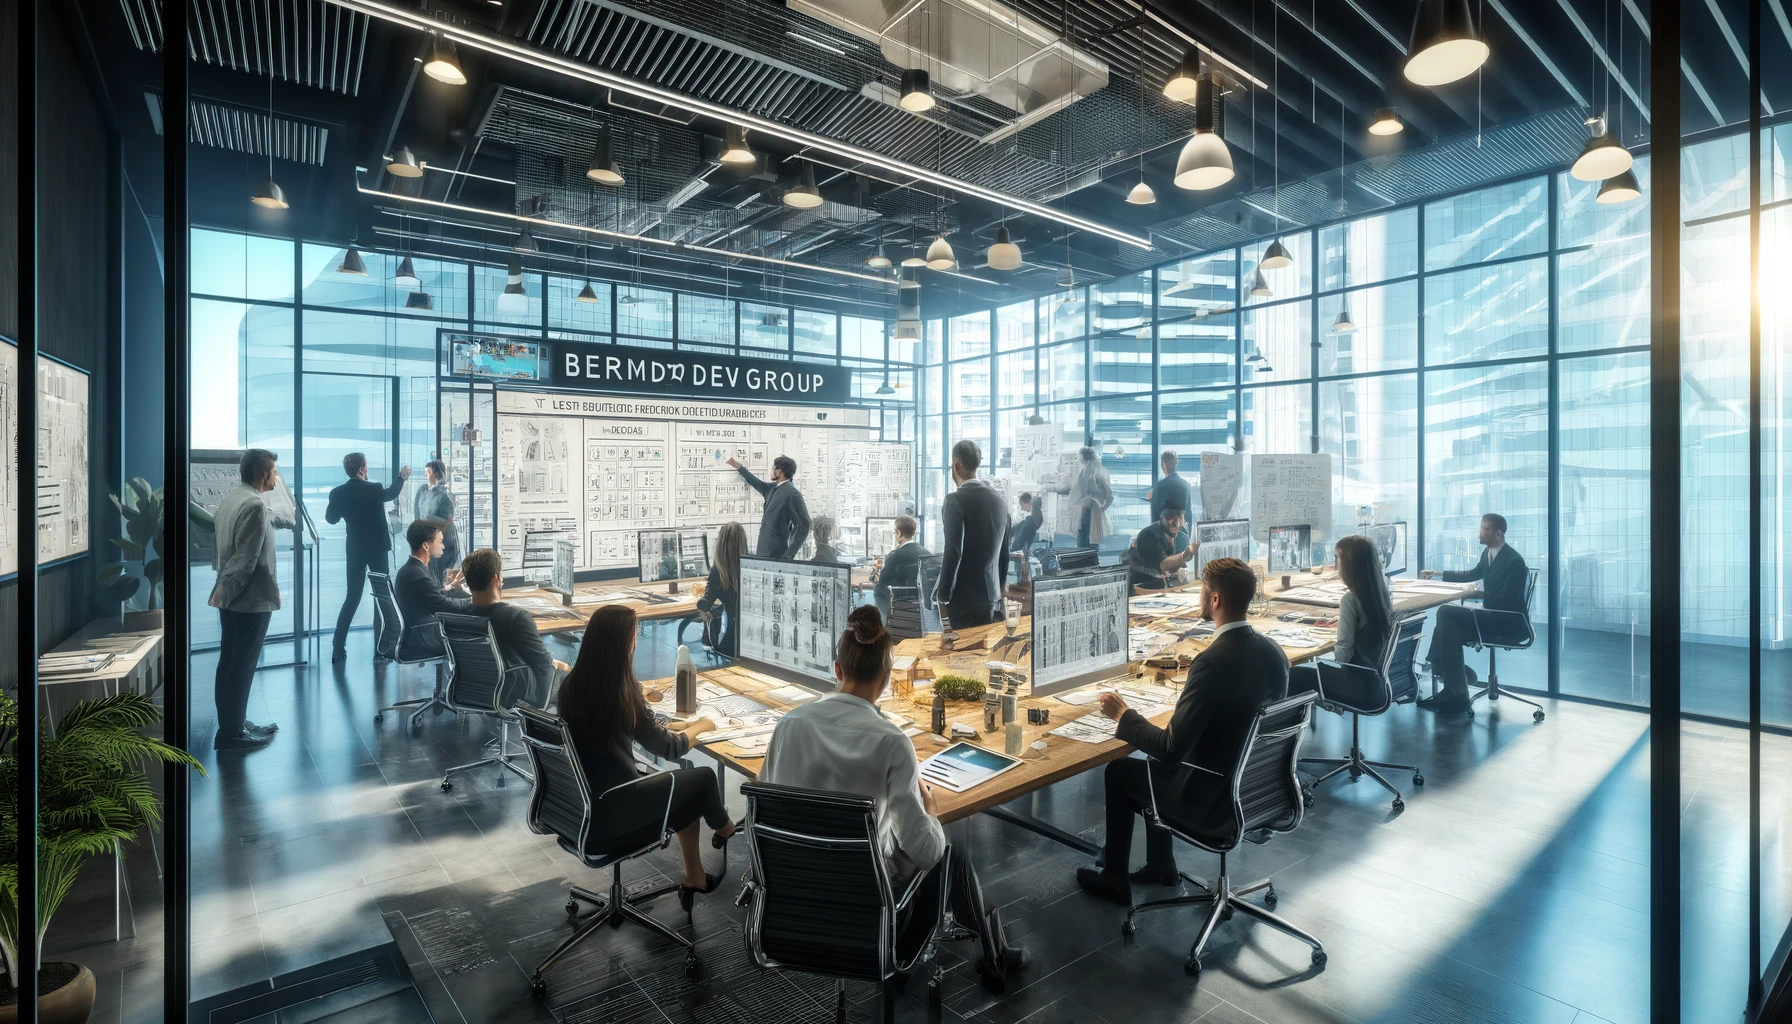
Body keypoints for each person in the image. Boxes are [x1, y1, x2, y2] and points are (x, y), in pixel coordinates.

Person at [762, 606, 1030, 992]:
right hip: (868, 909)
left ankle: (994, 951)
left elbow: (765, 804)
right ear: (886, 679)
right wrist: (932, 815)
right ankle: (986, 955)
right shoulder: (892, 742)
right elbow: (923, 852)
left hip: (793, 902)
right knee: (947, 853)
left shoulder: (788, 726)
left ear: (837, 670)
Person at [1076, 557, 1290, 904]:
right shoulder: (1273, 652)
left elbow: (1171, 748)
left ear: (1215, 599)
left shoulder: (1211, 662)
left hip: (1212, 799)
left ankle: (1114, 879)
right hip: (1256, 788)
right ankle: (1162, 864)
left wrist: (1123, 715)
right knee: (1150, 766)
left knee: (1119, 771)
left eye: (1203, 592)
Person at [555, 604, 740, 906]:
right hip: (614, 810)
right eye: (635, 633)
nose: (637, 638)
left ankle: (695, 875)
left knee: (687, 793)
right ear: (623, 643)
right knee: (703, 778)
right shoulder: (619, 693)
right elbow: (670, 748)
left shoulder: (573, 686)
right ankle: (727, 830)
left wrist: (670, 720)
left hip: (579, 809)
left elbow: (633, 724)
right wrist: (702, 725)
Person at [209, 448, 284, 752]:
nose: (276, 477)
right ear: (263, 474)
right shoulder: (253, 505)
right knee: (241, 666)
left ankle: (232, 723)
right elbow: (246, 560)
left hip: (230, 598)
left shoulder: (231, 500)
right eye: (274, 472)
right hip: (248, 600)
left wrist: (223, 593)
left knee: (229, 662)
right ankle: (232, 732)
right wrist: (229, 592)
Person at [1417, 513, 1530, 714]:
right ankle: (1455, 690)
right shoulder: (1487, 554)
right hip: (1492, 616)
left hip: (1509, 622)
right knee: (1449, 625)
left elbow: (1505, 601)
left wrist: (1475, 594)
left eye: (1485, 529)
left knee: (1445, 613)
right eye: (1481, 527)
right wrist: (1438, 574)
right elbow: (1472, 574)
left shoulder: (1514, 562)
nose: (1479, 532)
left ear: (1498, 533)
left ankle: (1447, 676)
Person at [1288, 535, 1394, 707]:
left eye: (1337, 558)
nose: (1334, 565)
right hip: (1375, 684)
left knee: (1292, 675)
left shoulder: (1350, 600)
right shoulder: (1380, 594)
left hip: (1356, 686)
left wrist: (1329, 660)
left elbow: (1343, 653)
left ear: (1350, 565)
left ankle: (1291, 731)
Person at [326, 452, 411, 664]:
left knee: (352, 597)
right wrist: (401, 477)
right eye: (367, 465)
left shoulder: (338, 493)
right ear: (362, 469)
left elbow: (331, 519)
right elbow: (391, 493)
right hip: (377, 548)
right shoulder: (374, 489)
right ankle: (386, 645)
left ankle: (338, 647)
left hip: (355, 549)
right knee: (383, 595)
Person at [459, 548, 571, 708]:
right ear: (495, 579)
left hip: (474, 687)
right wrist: (562, 666)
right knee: (570, 666)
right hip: (515, 691)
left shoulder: (461, 613)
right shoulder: (515, 617)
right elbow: (543, 664)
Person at [938, 440, 1013, 627]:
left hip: (963, 598)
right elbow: (1005, 553)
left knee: (962, 654)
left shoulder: (954, 500)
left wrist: (943, 596)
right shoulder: (1000, 502)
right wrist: (1000, 588)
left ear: (956, 466)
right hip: (991, 596)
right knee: (984, 653)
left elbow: (953, 551)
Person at [395, 519, 473, 661]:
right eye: (440, 541)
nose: (443, 546)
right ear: (426, 546)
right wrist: (472, 603)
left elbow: (430, 597)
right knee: (478, 635)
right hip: (424, 637)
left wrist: (449, 588)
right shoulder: (416, 574)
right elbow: (440, 604)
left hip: (418, 631)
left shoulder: (412, 569)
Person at [728, 454, 811, 559]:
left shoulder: (793, 494)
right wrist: (738, 466)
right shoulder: (773, 488)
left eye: (773, 469)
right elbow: (755, 482)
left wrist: (790, 554)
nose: (771, 471)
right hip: (763, 551)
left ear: (780, 471)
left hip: (776, 554)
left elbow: (805, 524)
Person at [699, 523, 747, 657]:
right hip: (751, 640)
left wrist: (709, 610)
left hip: (729, 643)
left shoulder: (718, 571)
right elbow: (737, 605)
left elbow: (729, 603)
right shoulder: (752, 566)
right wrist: (716, 612)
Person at [1127, 505, 1200, 592]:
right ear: (1161, 518)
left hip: (1170, 590)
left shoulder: (1182, 535)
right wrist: (1184, 556)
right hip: (1142, 589)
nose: (1177, 524)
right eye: (1171, 517)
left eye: (1180, 517)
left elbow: (1180, 571)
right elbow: (1163, 565)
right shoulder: (1147, 535)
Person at [1055, 446, 1113, 549]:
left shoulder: (1095, 474)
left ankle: (1087, 558)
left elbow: (1109, 495)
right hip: (1085, 509)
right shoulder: (1086, 472)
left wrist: (1102, 508)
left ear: (1082, 458)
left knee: (1088, 537)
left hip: (1089, 509)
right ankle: (1086, 558)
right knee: (1085, 536)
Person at [413, 459, 459, 587]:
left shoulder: (443, 496)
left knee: (438, 572)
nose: (425, 475)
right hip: (426, 537)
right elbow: (417, 513)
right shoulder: (422, 491)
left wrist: (430, 520)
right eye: (425, 471)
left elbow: (448, 520)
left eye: (428, 471)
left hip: (440, 539)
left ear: (436, 474)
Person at [873, 515, 928, 619]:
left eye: (895, 532)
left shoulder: (895, 555)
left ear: (899, 532)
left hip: (898, 606)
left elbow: (883, 584)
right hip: (920, 607)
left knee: (877, 589)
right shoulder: (925, 552)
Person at [1146, 452, 1192, 547]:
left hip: (1164, 536)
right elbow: (1188, 514)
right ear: (1176, 463)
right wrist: (1188, 536)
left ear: (1163, 464)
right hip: (1182, 534)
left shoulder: (1160, 485)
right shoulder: (1186, 485)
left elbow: (1155, 515)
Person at [1009, 492, 1044, 557]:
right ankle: (1010, 536)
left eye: (1021, 505)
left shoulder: (1035, 503)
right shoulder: (1034, 505)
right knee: (1019, 527)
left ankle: (1014, 548)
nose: (1022, 508)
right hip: (1031, 524)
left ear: (1026, 502)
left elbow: (1041, 499)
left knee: (1021, 530)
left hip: (1032, 525)